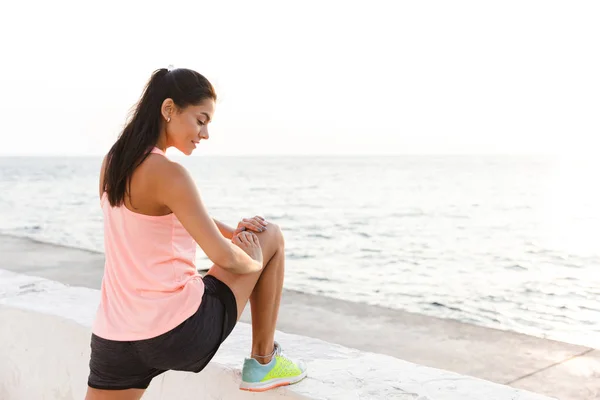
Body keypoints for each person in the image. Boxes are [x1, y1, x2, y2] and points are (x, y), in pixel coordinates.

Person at [86, 67, 307, 400]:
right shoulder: (171, 174)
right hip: (175, 330)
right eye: (201, 120)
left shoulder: (112, 162)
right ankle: (263, 362)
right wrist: (255, 259)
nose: (204, 134)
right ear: (169, 109)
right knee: (271, 234)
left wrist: (232, 231)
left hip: (115, 336)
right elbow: (223, 258)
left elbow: (160, 214)